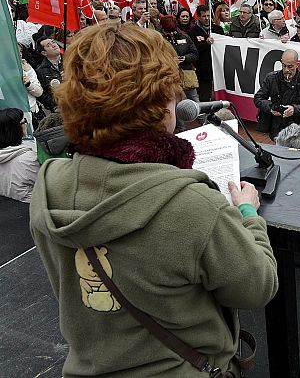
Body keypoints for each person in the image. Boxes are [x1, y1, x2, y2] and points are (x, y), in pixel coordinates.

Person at [29, 23, 278, 375]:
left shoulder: (49, 183)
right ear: (162, 102)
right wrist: (249, 213)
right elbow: (257, 287)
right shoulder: (192, 204)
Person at [254, 49, 300, 139]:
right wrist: (271, 108)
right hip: (276, 128)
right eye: (284, 66)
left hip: (297, 129)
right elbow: (258, 98)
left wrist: (294, 109)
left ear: (297, 65)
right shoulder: (272, 78)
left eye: (290, 66)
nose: (286, 70)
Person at [0, 108, 40, 203]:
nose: (26, 124)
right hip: (32, 206)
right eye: (23, 122)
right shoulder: (30, 158)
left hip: (7, 208)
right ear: (15, 129)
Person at [160, 15, 200, 102]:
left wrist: (184, 58)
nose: (171, 33)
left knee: (194, 99)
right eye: (168, 31)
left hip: (186, 73)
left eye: (173, 31)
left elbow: (195, 54)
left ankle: (199, 115)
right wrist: (169, 61)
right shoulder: (159, 39)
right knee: (174, 101)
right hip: (168, 75)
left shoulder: (184, 37)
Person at [35, 37, 64, 111]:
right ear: (44, 53)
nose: (54, 45)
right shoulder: (41, 71)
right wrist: (56, 105)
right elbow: (43, 95)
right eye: (48, 45)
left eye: (53, 42)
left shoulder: (70, 60)